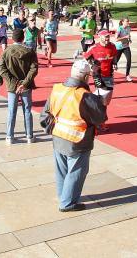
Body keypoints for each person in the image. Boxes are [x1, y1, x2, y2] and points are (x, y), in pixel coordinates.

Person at [40, 59, 107, 212]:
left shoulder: (57, 89)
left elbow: (46, 112)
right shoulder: (83, 96)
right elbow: (100, 116)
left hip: (58, 135)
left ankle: (63, 195)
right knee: (76, 171)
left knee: (61, 169)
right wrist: (99, 88)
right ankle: (67, 203)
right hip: (77, 139)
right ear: (85, 77)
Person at [0, 28, 38, 144]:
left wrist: (13, 82)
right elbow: (34, 69)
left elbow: (2, 69)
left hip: (12, 86)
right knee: (27, 110)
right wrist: (24, 83)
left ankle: (9, 136)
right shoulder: (30, 51)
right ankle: (29, 135)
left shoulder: (6, 51)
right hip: (26, 85)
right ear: (23, 38)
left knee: (12, 111)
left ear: (12, 38)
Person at [83, 30, 118, 130]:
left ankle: (89, 101)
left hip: (109, 75)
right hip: (98, 75)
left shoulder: (112, 46)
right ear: (100, 37)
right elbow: (85, 57)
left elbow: (114, 55)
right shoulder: (94, 48)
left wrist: (115, 63)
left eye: (108, 37)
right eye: (106, 37)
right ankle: (100, 122)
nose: (107, 39)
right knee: (102, 96)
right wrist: (92, 66)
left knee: (105, 101)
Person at [113, 17, 133, 82]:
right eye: (126, 21)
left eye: (128, 21)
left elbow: (128, 35)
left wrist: (129, 39)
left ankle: (127, 75)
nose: (128, 23)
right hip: (119, 47)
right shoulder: (119, 29)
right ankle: (110, 73)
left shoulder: (128, 28)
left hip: (126, 46)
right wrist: (125, 37)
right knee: (115, 62)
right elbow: (116, 39)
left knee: (129, 60)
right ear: (122, 22)